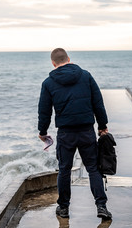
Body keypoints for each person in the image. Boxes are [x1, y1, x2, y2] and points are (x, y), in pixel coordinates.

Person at [38, 48, 112, 219]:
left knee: (64, 170)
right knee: (93, 169)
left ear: (53, 63)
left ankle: (63, 208)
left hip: (66, 134)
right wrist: (102, 126)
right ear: (69, 59)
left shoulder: (48, 83)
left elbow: (44, 112)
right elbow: (98, 103)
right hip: (86, 131)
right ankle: (101, 206)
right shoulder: (85, 76)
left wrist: (42, 132)